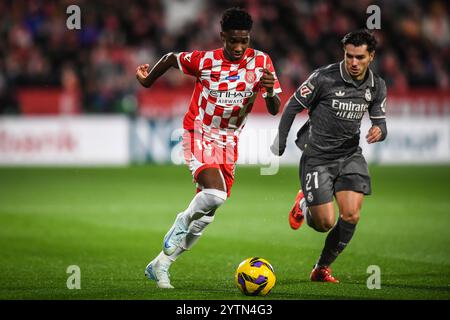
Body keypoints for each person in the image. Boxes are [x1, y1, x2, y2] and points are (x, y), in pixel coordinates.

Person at [136, 7, 281, 289]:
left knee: (209, 215)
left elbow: (274, 109)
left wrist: (272, 91)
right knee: (215, 195)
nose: (239, 47)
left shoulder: (262, 62)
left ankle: (161, 265)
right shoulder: (206, 61)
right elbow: (170, 59)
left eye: (244, 40)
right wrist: (148, 80)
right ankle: (182, 220)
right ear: (222, 36)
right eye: (233, 41)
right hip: (198, 131)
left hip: (229, 141)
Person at [271, 29, 387, 283]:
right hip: (318, 158)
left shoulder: (376, 85)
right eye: (349, 56)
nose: (353, 63)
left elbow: (381, 121)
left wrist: (380, 130)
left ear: (371, 57)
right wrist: (280, 140)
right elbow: (292, 106)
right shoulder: (323, 78)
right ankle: (304, 202)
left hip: (350, 156)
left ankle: (321, 268)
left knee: (351, 215)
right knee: (324, 223)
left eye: (359, 57)